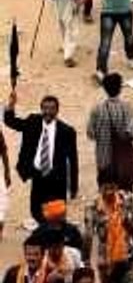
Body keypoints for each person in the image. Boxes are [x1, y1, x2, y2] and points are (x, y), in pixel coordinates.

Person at [4, 91, 78, 224]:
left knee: (56, 214)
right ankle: (44, 230)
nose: (48, 112)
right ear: (41, 109)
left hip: (56, 179)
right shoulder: (33, 121)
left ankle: (52, 233)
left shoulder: (67, 131)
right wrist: (11, 105)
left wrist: (73, 186)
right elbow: (11, 122)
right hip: (37, 176)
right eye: (45, 108)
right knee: (36, 211)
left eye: (52, 109)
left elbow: (73, 160)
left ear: (57, 110)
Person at [85, 73, 133, 190]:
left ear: (104, 89)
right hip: (123, 162)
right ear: (120, 88)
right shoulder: (126, 107)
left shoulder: (97, 109)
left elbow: (90, 134)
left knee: (107, 195)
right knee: (125, 195)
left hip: (103, 161)